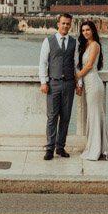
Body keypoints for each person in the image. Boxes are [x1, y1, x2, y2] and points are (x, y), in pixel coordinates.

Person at [38, 13, 82, 160]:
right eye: (63, 23)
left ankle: (60, 147)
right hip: (53, 84)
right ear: (58, 24)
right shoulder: (48, 41)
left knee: (65, 117)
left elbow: (76, 65)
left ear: (70, 25)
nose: (65, 26)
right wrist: (44, 82)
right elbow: (43, 63)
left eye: (68, 24)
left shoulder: (74, 43)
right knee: (52, 117)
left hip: (69, 84)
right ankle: (49, 148)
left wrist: (79, 83)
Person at [76, 20, 108, 161]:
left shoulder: (95, 45)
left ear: (93, 31)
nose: (85, 33)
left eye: (87, 30)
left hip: (94, 84)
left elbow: (89, 66)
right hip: (88, 83)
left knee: (95, 115)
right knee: (95, 115)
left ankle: (95, 149)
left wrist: (75, 77)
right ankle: (100, 147)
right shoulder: (85, 45)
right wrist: (80, 81)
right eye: (83, 30)